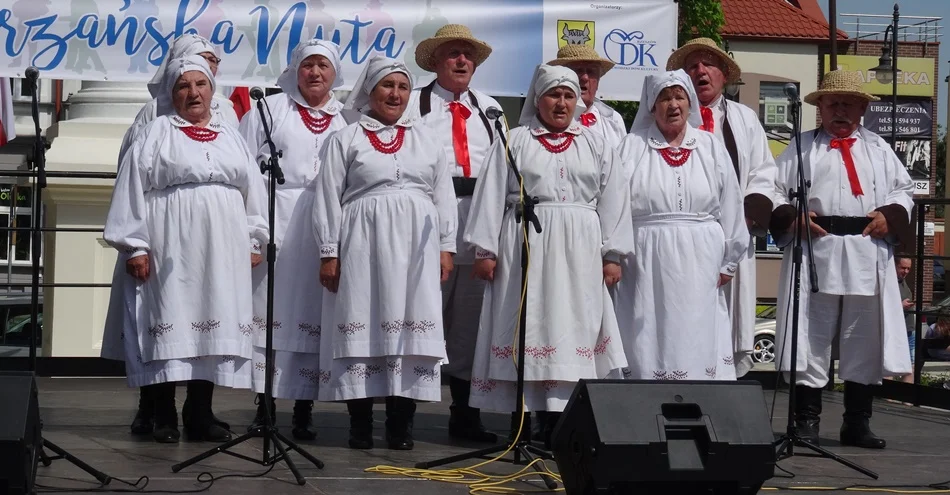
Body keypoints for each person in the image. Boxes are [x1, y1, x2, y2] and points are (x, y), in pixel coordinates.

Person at [464, 64, 631, 448]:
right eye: (553, 95)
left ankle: (560, 422)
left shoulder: (597, 143)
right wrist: (485, 249)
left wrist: (613, 254)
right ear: (537, 99)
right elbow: (491, 193)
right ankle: (522, 421)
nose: (561, 103)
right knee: (526, 323)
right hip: (526, 244)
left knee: (571, 327)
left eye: (569, 95)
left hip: (580, 251)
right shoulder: (514, 139)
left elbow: (614, 199)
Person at [103, 55, 268, 443]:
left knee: (212, 320)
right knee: (168, 318)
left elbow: (253, 191)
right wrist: (136, 246)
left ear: (213, 90)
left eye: (201, 85)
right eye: (183, 86)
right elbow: (130, 189)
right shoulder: (156, 132)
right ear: (171, 93)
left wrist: (253, 237)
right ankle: (163, 414)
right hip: (169, 240)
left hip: (222, 245)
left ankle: (200, 413)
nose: (193, 93)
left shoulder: (230, 134)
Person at [312, 56, 457, 451]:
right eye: (386, 86)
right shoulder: (346, 138)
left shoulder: (427, 138)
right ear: (370, 91)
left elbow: (444, 196)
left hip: (417, 245)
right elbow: (327, 198)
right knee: (361, 317)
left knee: (411, 324)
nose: (395, 94)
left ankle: (400, 424)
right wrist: (330, 251)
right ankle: (360, 424)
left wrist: (447, 247)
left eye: (402, 87)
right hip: (362, 242)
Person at [770, 70, 913, 450]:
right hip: (816, 249)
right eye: (833, 103)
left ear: (863, 107)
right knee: (810, 336)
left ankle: (857, 422)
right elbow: (770, 188)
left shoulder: (879, 149)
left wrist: (891, 215)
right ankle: (806, 420)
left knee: (862, 337)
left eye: (849, 103)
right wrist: (791, 217)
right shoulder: (800, 149)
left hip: (866, 251)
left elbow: (904, 191)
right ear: (820, 108)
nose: (840, 111)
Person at [239, 40, 349, 440]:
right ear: (295, 70)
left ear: (335, 73)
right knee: (268, 310)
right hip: (277, 218)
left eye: (323, 66)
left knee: (314, 312)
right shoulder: (267, 111)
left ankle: (304, 409)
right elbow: (243, 166)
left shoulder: (346, 119)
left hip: (322, 226)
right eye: (308, 65)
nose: (315, 73)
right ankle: (264, 407)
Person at [613, 69, 748, 383]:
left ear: (690, 104)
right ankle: (646, 399)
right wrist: (614, 253)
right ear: (651, 106)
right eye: (664, 98)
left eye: (679, 97)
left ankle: (698, 400)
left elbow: (731, 204)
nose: (672, 105)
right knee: (647, 327)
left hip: (700, 257)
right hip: (644, 259)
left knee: (694, 326)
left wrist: (730, 259)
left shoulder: (710, 147)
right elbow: (614, 206)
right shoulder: (631, 147)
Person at [407, 23, 501, 443]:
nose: (462, 61)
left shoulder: (491, 109)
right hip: (429, 222)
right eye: (453, 54)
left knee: (470, 325)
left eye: (468, 55)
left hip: (478, 222)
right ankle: (401, 413)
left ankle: (464, 415)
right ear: (437, 62)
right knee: (421, 317)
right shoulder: (414, 105)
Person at [665, 37, 777, 377]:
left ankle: (725, 391)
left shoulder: (743, 118)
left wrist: (746, 216)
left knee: (730, 322)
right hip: (685, 237)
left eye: (708, 64)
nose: (700, 70)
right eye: (692, 65)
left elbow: (763, 172)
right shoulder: (671, 118)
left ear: (723, 75)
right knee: (683, 316)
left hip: (733, 236)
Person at [547, 44, 626, 147]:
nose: (584, 78)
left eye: (591, 71)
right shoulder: (547, 118)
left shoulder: (613, 120)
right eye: (577, 70)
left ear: (598, 81)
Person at [896, 256, 915, 383]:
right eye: (903, 268)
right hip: (896, 331)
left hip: (908, 330)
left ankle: (907, 400)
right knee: (890, 364)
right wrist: (900, 306)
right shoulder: (890, 282)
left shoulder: (903, 281)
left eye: (908, 268)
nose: (906, 271)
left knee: (910, 365)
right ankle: (888, 398)